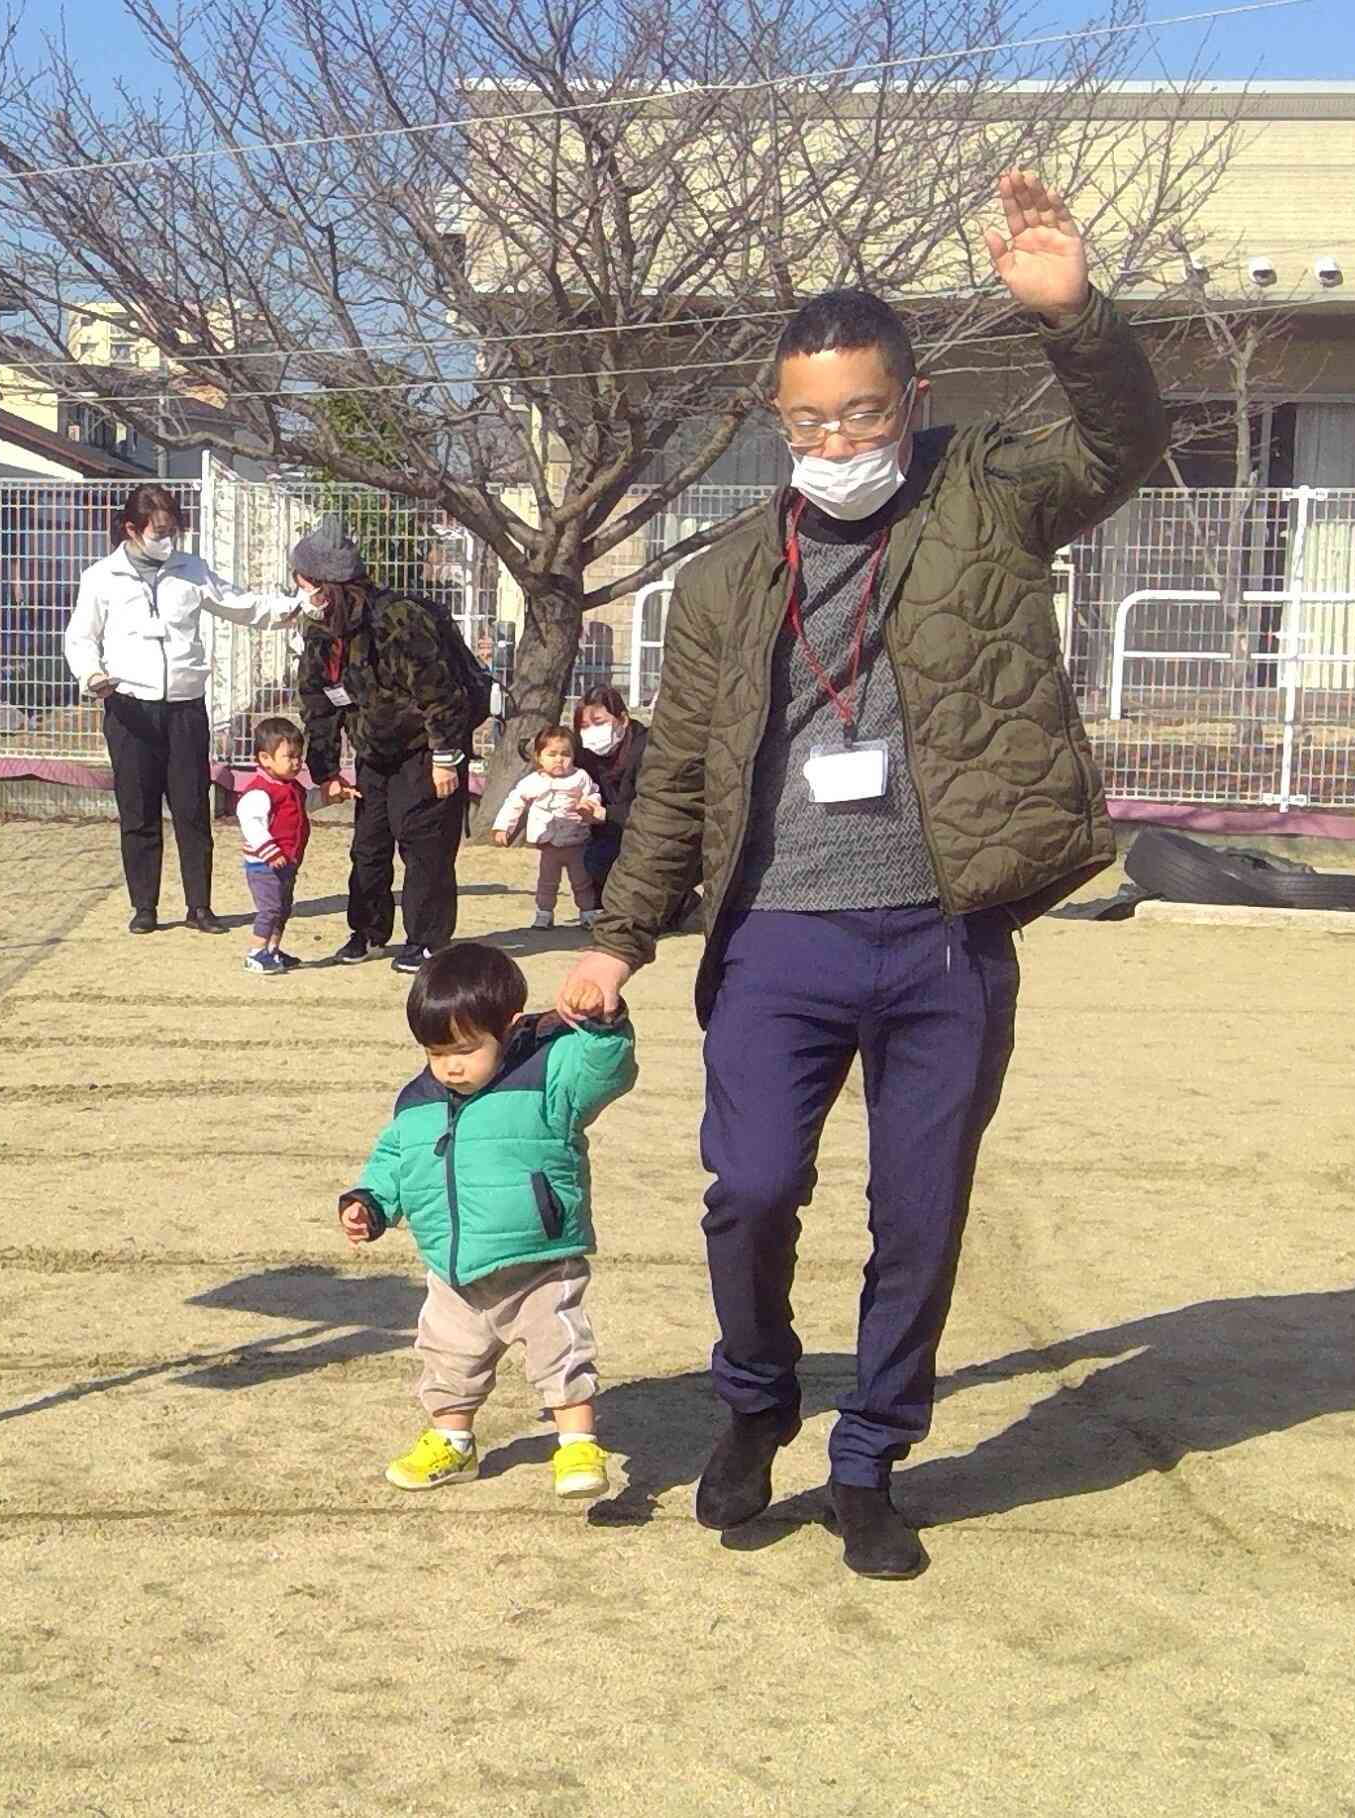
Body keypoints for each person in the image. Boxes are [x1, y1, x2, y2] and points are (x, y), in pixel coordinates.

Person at [555, 171, 1168, 1581]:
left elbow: (1123, 440)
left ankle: (871, 1457)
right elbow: (686, 774)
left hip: (946, 933)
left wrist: (1075, 316)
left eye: (865, 411)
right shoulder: (720, 582)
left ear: (911, 395)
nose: (838, 440)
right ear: (782, 422)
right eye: (809, 419)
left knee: (922, 1210)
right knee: (753, 1186)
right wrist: (620, 935)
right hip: (779, 938)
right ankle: (758, 1401)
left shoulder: (985, 499)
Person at [338, 943, 637, 1501]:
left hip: (539, 1261)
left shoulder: (550, 1072)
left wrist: (601, 1024)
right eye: (436, 1052)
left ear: (509, 1026)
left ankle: (575, 1444)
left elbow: (607, 1072)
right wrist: (370, 1203)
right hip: (455, 1270)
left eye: (467, 1049)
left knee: (560, 1349)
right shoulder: (417, 1101)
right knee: (447, 1359)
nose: (451, 1065)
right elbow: (394, 1162)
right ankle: (453, 1442)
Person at [64, 484, 307, 935]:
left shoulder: (191, 569)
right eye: (159, 531)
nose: (168, 539)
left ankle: (200, 906)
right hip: (128, 708)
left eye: (173, 530)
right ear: (131, 529)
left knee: (193, 809)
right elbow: (80, 637)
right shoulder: (101, 577)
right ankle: (145, 907)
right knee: (138, 812)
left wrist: (295, 607)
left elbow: (241, 604)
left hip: (184, 710)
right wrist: (91, 675)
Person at [292, 514, 490, 973]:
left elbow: (441, 692)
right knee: (369, 845)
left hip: (425, 748)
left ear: (326, 582)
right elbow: (318, 702)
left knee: (423, 845)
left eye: (303, 581)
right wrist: (324, 771)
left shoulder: (398, 620)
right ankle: (367, 931)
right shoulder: (320, 632)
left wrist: (446, 757)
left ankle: (426, 941)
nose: (300, 590)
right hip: (373, 753)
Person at [488, 726, 605, 929]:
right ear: (539, 757)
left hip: (576, 840)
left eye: (565, 754)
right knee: (547, 882)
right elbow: (514, 802)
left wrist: (589, 805)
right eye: (552, 754)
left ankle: (587, 913)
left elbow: (593, 793)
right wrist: (502, 827)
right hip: (548, 843)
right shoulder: (533, 782)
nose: (559, 759)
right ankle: (544, 913)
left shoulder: (580, 777)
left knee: (582, 881)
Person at [233, 718, 314, 975]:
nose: (296, 762)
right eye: (289, 756)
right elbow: (252, 824)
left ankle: (272, 950)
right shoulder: (259, 792)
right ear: (265, 758)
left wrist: (329, 796)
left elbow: (306, 804)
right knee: (270, 909)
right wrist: (270, 851)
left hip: (288, 861)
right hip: (264, 865)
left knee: (283, 908)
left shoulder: (293, 787)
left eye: (298, 756)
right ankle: (255, 953)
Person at [572, 685, 649, 905]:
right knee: (593, 857)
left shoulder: (647, 749)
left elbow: (652, 807)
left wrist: (606, 813)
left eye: (599, 722)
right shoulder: (583, 754)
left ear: (622, 720)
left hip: (646, 834)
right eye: (584, 726)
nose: (591, 732)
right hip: (603, 836)